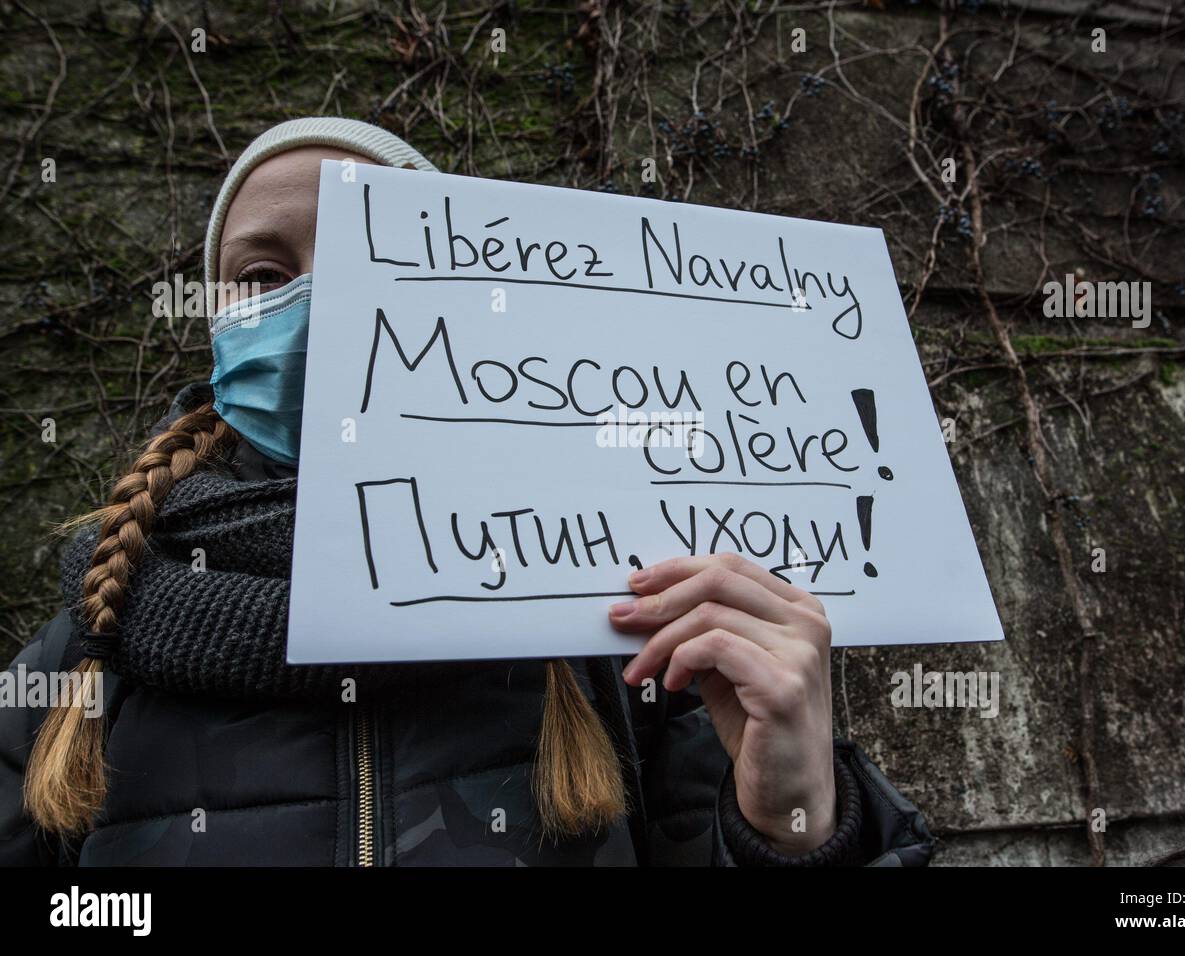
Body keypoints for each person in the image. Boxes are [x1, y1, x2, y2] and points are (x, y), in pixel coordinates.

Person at [0, 117, 933, 866]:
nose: (326, 303)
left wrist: (798, 820)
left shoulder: (618, 626)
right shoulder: (90, 641)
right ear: (215, 329)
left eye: (372, 253)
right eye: (263, 276)